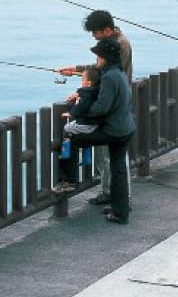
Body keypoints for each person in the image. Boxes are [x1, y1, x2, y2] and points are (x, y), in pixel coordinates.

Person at [58, 10, 133, 206]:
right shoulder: (111, 46)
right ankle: (109, 192)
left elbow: (104, 72)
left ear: (107, 30)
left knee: (113, 157)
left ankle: (119, 196)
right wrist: (76, 70)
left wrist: (82, 100)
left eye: (96, 33)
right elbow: (99, 67)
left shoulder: (120, 45)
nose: (94, 36)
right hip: (110, 104)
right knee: (106, 155)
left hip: (111, 108)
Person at [68, 38, 135, 224]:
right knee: (118, 169)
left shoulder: (109, 77)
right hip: (125, 127)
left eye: (98, 55)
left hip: (114, 131)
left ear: (104, 57)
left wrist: (80, 113)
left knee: (73, 138)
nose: (96, 59)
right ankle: (119, 210)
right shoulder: (118, 72)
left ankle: (68, 180)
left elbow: (102, 107)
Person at [52, 68, 102, 193]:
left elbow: (81, 108)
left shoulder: (86, 93)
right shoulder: (98, 91)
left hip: (87, 126)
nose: (81, 81)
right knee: (71, 130)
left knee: (67, 130)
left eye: (83, 79)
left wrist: (70, 113)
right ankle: (85, 156)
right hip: (96, 126)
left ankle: (66, 148)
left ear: (89, 83)